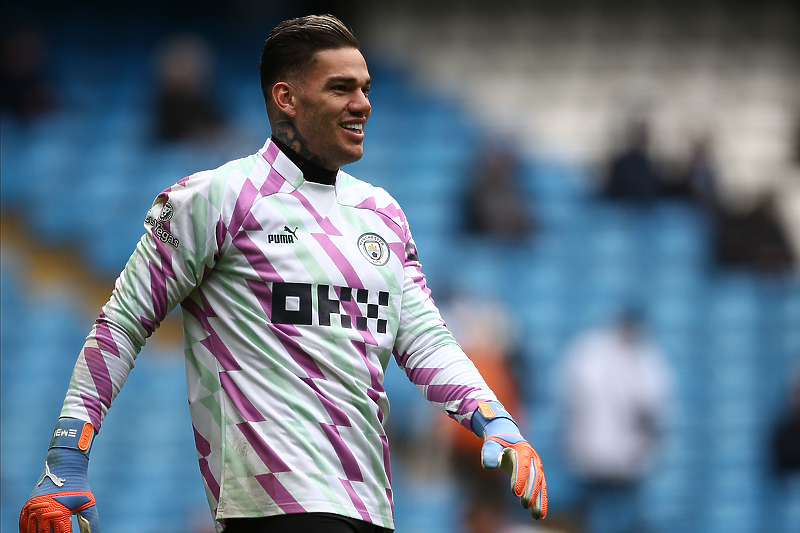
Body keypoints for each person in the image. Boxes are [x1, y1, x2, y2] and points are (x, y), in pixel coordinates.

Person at [19, 15, 547, 533]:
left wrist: (493, 419)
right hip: (274, 505)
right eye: (341, 88)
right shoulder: (215, 198)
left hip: (370, 506)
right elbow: (122, 323)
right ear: (286, 98)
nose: (362, 104)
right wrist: (65, 459)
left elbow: (426, 342)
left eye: (365, 88)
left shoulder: (381, 213)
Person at [560, 309, 672, 533]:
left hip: (629, 461)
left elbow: (655, 409)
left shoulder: (646, 358)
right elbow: (569, 399)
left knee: (626, 520)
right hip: (589, 457)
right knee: (590, 519)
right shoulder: (590, 351)